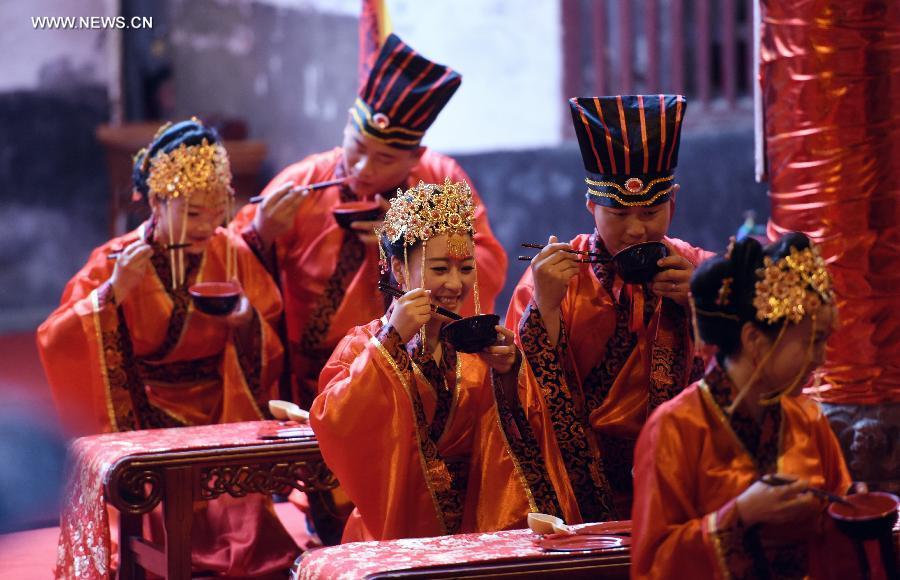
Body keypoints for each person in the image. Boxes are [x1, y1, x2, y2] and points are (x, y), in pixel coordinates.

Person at [37, 119, 297, 576]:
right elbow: (55, 338)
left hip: (221, 407)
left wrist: (245, 321)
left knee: (248, 534)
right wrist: (112, 294)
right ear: (157, 202)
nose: (209, 225)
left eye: (218, 211)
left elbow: (269, 331)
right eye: (194, 213)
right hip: (145, 412)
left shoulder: (230, 250)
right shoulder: (117, 259)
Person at [231, 33, 507, 409]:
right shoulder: (304, 181)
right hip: (308, 378)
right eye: (357, 148)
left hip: (416, 368)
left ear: (415, 157)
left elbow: (487, 263)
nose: (363, 168)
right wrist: (262, 233)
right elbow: (231, 256)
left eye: (385, 159)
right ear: (347, 126)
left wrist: (408, 238)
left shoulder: (440, 177)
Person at [310, 179, 554, 542]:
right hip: (391, 528)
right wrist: (390, 340)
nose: (456, 284)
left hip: (473, 528)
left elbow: (520, 445)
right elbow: (333, 423)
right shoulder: (362, 346)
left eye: (466, 268)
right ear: (399, 268)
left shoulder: (479, 350)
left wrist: (508, 376)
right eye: (440, 269)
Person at [505, 95, 713, 521]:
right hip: (580, 493)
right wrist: (543, 305)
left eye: (652, 212)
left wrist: (702, 305)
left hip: (680, 481)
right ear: (591, 208)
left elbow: (748, 365)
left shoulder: (699, 271)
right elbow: (516, 397)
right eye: (618, 214)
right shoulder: (554, 277)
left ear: (673, 203)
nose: (637, 229)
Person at [631, 232, 858, 579]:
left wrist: (848, 516)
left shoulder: (807, 419)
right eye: (812, 341)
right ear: (754, 339)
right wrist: (738, 516)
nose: (821, 358)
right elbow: (652, 566)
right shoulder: (675, 427)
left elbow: (842, 549)